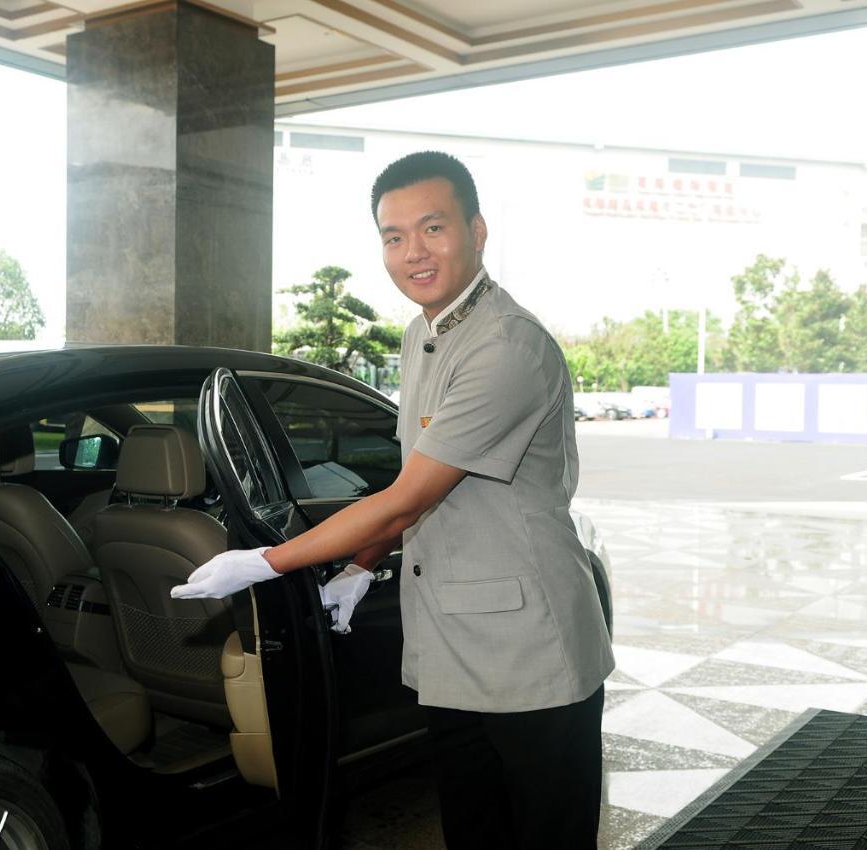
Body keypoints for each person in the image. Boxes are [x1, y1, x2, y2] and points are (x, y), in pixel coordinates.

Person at [171, 151, 614, 849]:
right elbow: (415, 479)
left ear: (477, 230)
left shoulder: (507, 346)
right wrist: (357, 566)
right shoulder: (424, 335)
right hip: (451, 644)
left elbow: (407, 500)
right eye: (394, 236)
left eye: (433, 228)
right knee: (474, 832)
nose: (414, 252)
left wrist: (266, 561)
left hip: (531, 652)